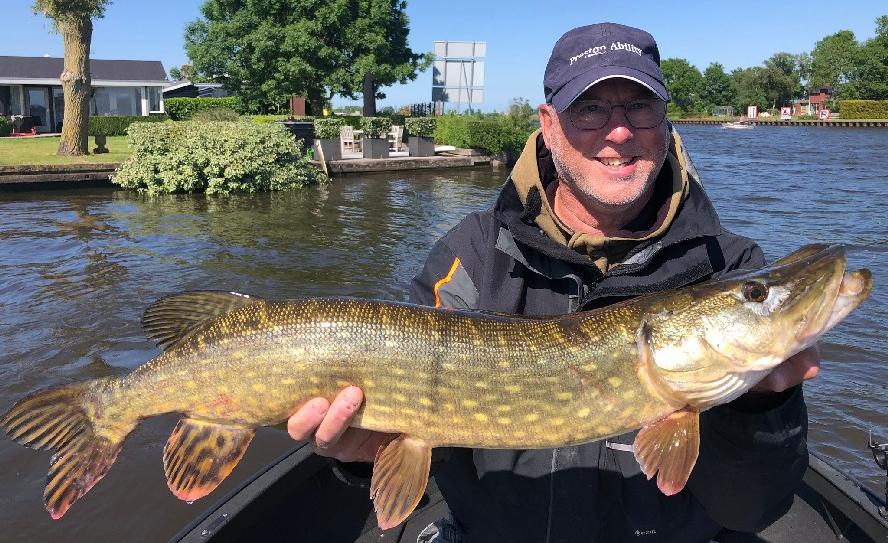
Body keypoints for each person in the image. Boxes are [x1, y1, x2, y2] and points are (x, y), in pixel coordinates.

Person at [288, 22, 818, 542]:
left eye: (640, 106)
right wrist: (363, 455)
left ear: (664, 118)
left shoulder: (728, 264)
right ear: (549, 123)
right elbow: (426, 447)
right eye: (590, 109)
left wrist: (759, 408)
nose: (619, 132)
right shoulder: (472, 256)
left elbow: (751, 509)